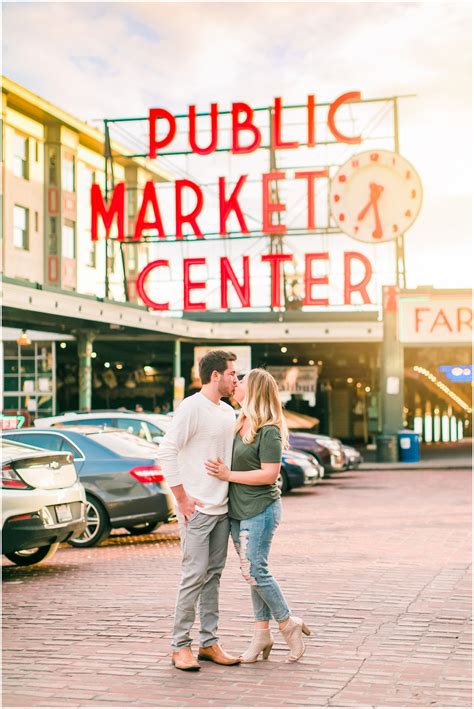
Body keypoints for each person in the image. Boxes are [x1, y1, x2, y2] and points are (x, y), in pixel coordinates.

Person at [205, 368, 311, 663]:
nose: (234, 384)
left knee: (255, 570)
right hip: (238, 511)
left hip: (260, 509)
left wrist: (227, 474)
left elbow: (269, 474)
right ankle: (261, 634)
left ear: (253, 391)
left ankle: (288, 623)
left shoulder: (269, 429)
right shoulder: (239, 422)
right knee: (250, 574)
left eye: (241, 382)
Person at [157, 350, 241, 672]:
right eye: (232, 373)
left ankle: (209, 643)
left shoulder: (226, 411)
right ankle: (180, 646)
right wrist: (181, 500)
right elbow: (167, 451)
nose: (236, 378)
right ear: (215, 375)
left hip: (222, 509)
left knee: (213, 577)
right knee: (193, 577)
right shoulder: (191, 407)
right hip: (197, 511)